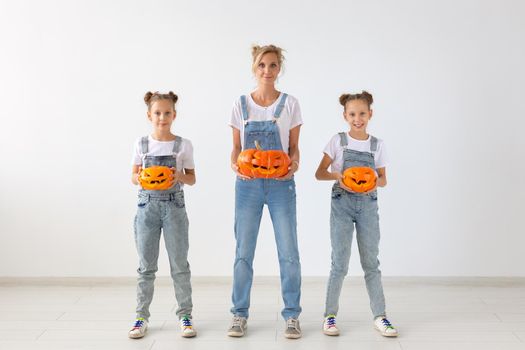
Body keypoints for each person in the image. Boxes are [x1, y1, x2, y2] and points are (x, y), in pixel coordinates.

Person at [228, 44, 303, 339]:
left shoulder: (291, 103)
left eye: (272, 65)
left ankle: (292, 315)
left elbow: (294, 147)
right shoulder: (240, 104)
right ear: (254, 67)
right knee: (243, 252)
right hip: (247, 186)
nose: (267, 71)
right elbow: (236, 147)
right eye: (262, 65)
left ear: (279, 68)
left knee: (289, 252)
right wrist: (234, 164)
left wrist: (294, 164)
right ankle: (238, 314)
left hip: (281, 184)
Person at [315, 91, 398, 337]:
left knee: (371, 263)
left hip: (368, 205)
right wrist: (337, 176)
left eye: (362, 113)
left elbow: (383, 180)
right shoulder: (338, 141)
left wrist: (373, 182)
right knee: (339, 263)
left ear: (370, 114)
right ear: (345, 116)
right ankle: (329, 316)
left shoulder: (377, 145)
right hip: (341, 203)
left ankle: (380, 316)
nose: (357, 118)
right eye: (352, 114)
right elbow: (319, 173)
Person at [128, 91, 197, 339]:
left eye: (167, 113)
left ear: (174, 115)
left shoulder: (183, 145)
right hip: (147, 207)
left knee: (179, 265)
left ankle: (185, 315)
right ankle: (140, 317)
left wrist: (179, 176)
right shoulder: (141, 144)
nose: (162, 117)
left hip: (174, 207)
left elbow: (192, 178)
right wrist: (143, 178)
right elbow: (133, 176)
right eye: (157, 113)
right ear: (149, 115)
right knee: (146, 267)